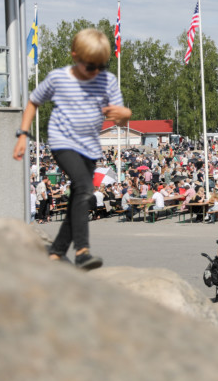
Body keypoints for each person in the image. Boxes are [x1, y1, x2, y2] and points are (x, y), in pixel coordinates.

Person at [13, 28, 131, 270]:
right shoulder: (59, 78)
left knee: (80, 196)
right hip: (62, 142)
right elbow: (33, 101)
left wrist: (123, 114)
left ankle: (56, 251)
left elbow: (121, 118)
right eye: (90, 66)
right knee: (85, 188)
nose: (95, 71)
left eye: (101, 65)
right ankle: (82, 251)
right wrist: (23, 135)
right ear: (75, 56)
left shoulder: (107, 80)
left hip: (89, 147)